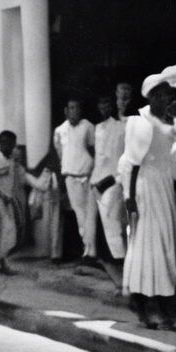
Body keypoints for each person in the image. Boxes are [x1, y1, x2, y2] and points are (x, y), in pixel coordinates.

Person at [119, 74, 176, 330]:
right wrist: (130, 200)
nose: (168, 99)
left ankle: (163, 308)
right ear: (153, 96)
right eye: (164, 95)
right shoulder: (139, 122)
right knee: (146, 246)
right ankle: (143, 305)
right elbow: (131, 165)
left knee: (165, 245)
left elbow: (172, 161)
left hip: (164, 189)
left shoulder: (169, 123)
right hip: (145, 190)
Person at [54, 98, 97, 263]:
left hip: (88, 176)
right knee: (80, 215)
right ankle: (88, 251)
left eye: (77, 108)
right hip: (71, 178)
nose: (74, 111)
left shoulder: (88, 126)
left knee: (89, 215)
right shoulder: (59, 130)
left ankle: (90, 251)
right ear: (66, 110)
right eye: (71, 108)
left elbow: (94, 150)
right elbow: (60, 155)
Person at [92, 94, 128, 263]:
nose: (104, 107)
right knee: (104, 224)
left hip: (113, 180)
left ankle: (121, 261)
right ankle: (111, 260)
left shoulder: (121, 126)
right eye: (101, 103)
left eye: (107, 103)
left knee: (114, 223)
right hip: (97, 179)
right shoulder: (97, 128)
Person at [0, 130, 22, 274]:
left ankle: (1, 261)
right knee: (4, 230)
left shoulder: (11, 159)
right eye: (4, 142)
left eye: (10, 143)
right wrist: (0, 193)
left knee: (8, 232)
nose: (7, 145)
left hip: (8, 199)